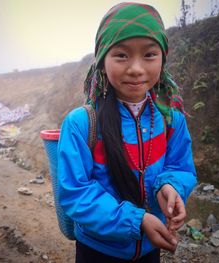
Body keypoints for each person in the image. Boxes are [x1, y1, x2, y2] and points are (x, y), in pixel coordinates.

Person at [57, 3, 197, 262]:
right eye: (121, 55)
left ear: (163, 58)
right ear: (102, 60)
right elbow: (75, 192)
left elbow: (181, 167)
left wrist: (170, 186)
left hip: (149, 249)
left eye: (149, 55)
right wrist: (138, 220)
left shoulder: (171, 118)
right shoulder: (82, 124)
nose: (136, 68)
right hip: (97, 250)